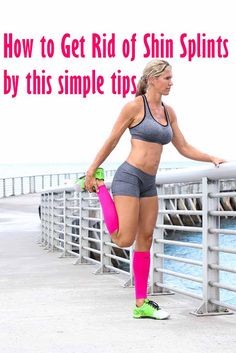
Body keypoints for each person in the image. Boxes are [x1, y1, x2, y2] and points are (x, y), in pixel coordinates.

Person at [84, 59, 225, 320]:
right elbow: (112, 140)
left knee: (146, 239)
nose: (172, 83)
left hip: (149, 182)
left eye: (172, 78)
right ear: (152, 79)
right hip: (129, 176)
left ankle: (141, 303)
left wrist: (211, 157)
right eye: (167, 78)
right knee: (124, 239)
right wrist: (92, 170)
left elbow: (183, 147)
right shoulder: (135, 106)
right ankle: (102, 189)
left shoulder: (169, 112)